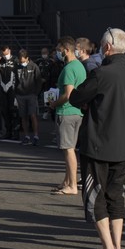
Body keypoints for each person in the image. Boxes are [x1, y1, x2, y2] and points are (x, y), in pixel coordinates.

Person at [69, 28, 125, 249]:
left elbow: (76, 98)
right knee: (116, 197)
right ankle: (117, 248)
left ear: (107, 47)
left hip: (98, 143)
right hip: (122, 143)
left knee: (95, 197)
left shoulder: (101, 73)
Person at [50, 38, 84, 195]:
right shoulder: (79, 66)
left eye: (59, 49)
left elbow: (67, 94)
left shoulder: (69, 68)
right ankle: (67, 181)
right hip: (77, 112)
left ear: (66, 49)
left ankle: (72, 185)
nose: (58, 52)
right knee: (69, 149)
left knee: (68, 149)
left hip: (67, 112)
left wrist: (54, 104)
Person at [13, 49, 42, 146]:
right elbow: (15, 80)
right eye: (20, 61)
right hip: (20, 95)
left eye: (23, 61)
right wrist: (16, 93)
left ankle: (36, 136)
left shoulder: (34, 66)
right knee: (23, 116)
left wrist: (36, 93)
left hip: (31, 94)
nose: (22, 63)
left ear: (27, 58)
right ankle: (26, 136)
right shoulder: (17, 67)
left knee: (33, 115)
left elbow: (38, 80)